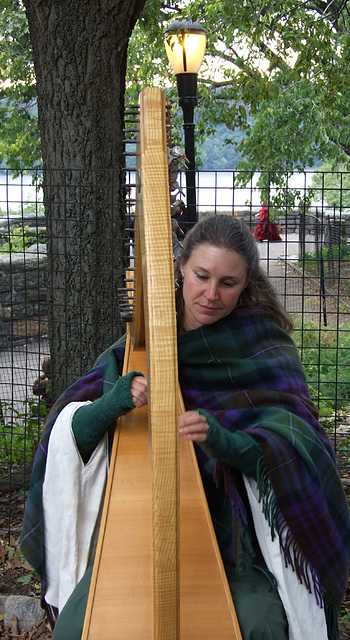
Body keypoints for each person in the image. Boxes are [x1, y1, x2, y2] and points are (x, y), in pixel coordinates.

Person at [20, 214, 350, 640]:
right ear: (179, 268)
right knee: (75, 630)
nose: (211, 295)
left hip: (240, 544)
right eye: (201, 276)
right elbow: (68, 438)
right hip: (137, 533)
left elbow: (298, 447)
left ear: (246, 282)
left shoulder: (263, 346)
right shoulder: (138, 348)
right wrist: (110, 405)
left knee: (260, 628)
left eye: (228, 283)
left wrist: (225, 442)